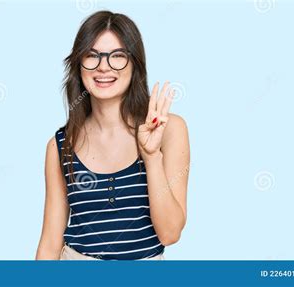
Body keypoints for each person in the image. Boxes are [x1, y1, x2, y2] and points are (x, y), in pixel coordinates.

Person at [36, 10, 190, 260]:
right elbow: (50, 244)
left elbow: (170, 234)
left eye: (117, 56)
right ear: (79, 65)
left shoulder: (170, 129)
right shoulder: (60, 146)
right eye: (92, 56)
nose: (103, 67)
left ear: (135, 64)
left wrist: (151, 157)